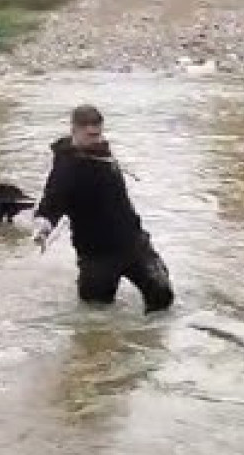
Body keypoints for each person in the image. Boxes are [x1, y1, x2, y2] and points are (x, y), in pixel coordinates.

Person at [31, 104, 175, 314]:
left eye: (98, 134)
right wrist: (42, 227)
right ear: (74, 130)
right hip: (97, 255)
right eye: (89, 135)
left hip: (133, 243)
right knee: (95, 316)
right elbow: (51, 203)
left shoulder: (103, 153)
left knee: (162, 296)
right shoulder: (66, 167)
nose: (95, 139)